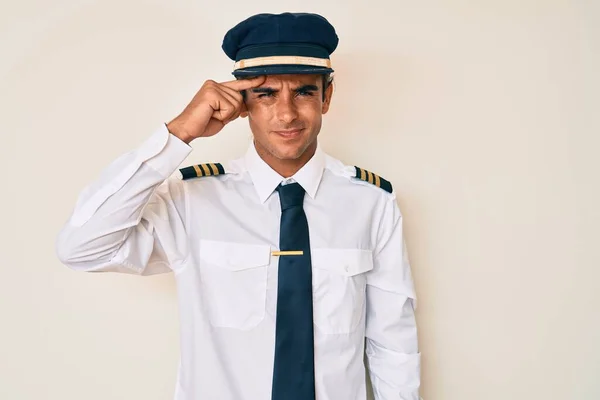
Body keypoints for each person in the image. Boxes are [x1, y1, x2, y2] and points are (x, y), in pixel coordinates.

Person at [56, 12, 421, 400]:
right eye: (266, 94)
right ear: (242, 102)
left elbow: (392, 345)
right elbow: (80, 248)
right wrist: (179, 133)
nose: (286, 114)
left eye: (303, 92)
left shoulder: (371, 202)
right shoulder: (191, 200)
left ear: (326, 96)